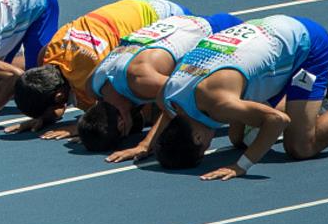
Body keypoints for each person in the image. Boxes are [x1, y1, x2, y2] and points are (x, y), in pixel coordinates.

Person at [153, 14, 328, 181]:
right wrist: (147, 146)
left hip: (305, 46)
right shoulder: (169, 96)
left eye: (204, 149)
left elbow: (276, 120)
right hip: (264, 29)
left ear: (197, 137)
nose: (209, 145)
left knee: (300, 146)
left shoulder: (220, 103)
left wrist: (241, 166)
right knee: (238, 137)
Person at [9, 0, 192, 137]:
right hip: (143, 5)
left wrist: (78, 127)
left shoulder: (90, 78)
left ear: (59, 95)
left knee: (144, 113)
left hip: (172, 19)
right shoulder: (48, 54)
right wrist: (43, 115)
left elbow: (112, 116)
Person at [78, 13, 243, 157]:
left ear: (122, 124)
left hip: (223, 33)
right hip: (180, 23)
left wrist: (146, 144)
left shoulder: (141, 80)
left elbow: (182, 99)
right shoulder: (92, 86)